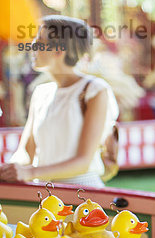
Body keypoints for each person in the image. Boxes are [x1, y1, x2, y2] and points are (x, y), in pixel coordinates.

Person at [0, 15, 119, 187]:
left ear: (59, 51)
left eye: (40, 40)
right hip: (45, 194)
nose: (32, 45)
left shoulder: (95, 90)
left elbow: (83, 162)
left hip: (84, 195)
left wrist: (30, 172)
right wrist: (8, 169)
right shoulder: (41, 93)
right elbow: (26, 154)